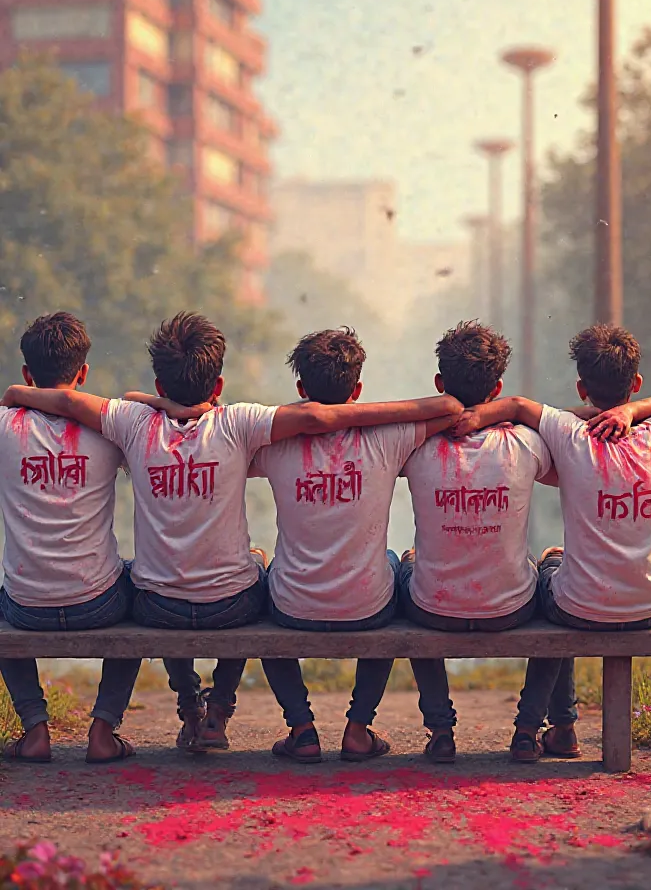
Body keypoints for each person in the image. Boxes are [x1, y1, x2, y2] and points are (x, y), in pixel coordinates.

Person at [2, 312, 464, 754]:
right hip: (230, 605)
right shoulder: (239, 422)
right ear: (218, 385)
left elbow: (100, 399)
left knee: (148, 579)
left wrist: (18, 394)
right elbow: (425, 410)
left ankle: (173, 710)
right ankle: (225, 711)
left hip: (145, 606)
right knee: (266, 575)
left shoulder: (131, 422)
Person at [452, 324, 651, 763]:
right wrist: (632, 413)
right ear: (635, 384)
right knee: (558, 575)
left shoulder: (567, 432)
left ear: (581, 387)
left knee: (549, 576)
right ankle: (554, 730)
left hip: (581, 606)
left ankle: (536, 728)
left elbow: (520, 407)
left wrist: (477, 419)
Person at [249, 328, 463, 763]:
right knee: (388, 570)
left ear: (300, 388)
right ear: (358, 389)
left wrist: (317, 417)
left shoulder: (273, 442)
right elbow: (451, 407)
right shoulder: (387, 439)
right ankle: (358, 726)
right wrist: (350, 414)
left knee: (261, 583)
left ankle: (301, 727)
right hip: (367, 608)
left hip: (293, 607)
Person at [398, 322, 556, 763]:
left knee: (403, 574)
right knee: (558, 585)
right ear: (498, 388)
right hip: (510, 609)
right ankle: (529, 729)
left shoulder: (412, 446)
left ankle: (441, 729)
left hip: (435, 611)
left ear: (439, 384)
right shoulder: (527, 444)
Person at [0, 313, 140, 764]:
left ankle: (34, 726)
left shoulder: (4, 428)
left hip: (25, 607)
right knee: (146, 587)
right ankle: (103, 728)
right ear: (83, 373)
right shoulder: (111, 429)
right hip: (98, 602)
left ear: (27, 374)